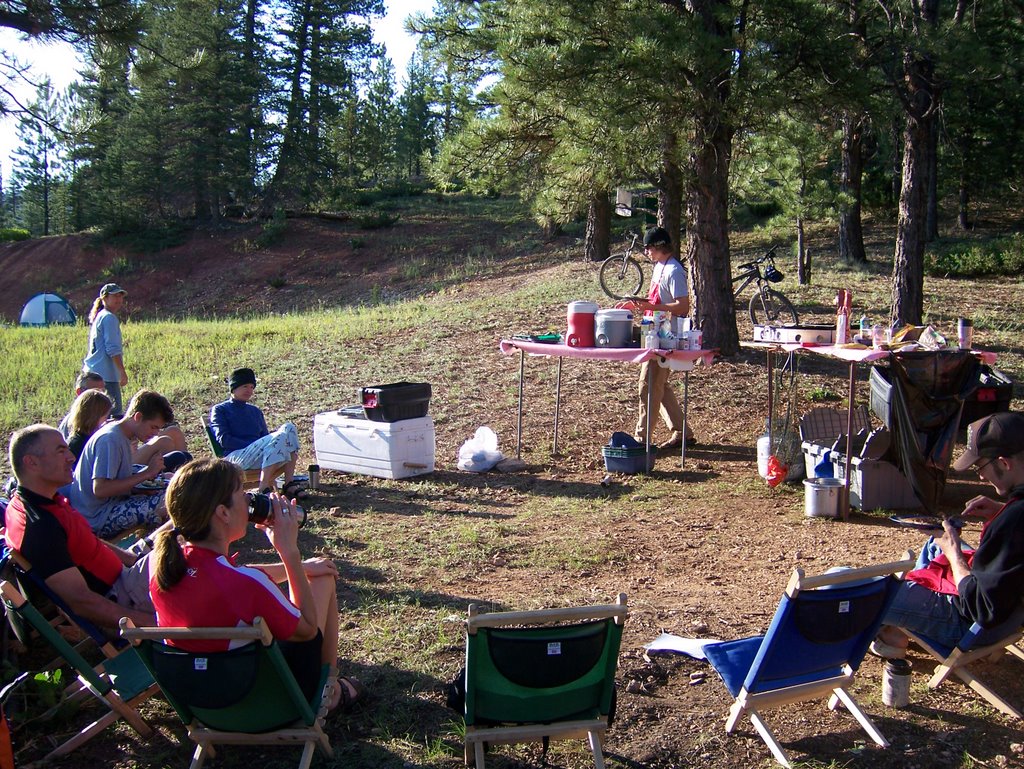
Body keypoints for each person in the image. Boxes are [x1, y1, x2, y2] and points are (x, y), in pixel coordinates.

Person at [149, 458, 364, 710]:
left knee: (313, 572)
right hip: (264, 701)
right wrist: (290, 554)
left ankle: (330, 690)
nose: (250, 500)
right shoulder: (248, 585)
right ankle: (329, 692)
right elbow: (307, 632)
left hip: (205, 702)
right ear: (223, 513)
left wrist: (302, 566)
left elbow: (230, 576)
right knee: (323, 578)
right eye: (242, 494)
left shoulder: (163, 568)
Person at [872, 412, 1024, 658]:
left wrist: (954, 554)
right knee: (936, 543)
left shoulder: (1013, 521)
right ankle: (893, 630)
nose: (981, 475)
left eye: (980, 467)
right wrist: (1001, 511)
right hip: (1011, 611)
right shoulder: (1014, 516)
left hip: (969, 623)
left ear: (1004, 463)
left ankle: (889, 628)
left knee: (849, 586)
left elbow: (981, 608)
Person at [4, 425, 156, 629]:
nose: (71, 457)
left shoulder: (41, 500)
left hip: (126, 576)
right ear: (32, 462)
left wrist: (136, 561)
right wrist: (154, 623)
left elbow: (86, 541)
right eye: (60, 451)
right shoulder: (40, 527)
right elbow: (83, 603)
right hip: (124, 595)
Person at [67, 389, 175, 539]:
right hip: (99, 517)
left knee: (171, 481)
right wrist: (147, 473)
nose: (156, 433)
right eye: (153, 427)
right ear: (138, 417)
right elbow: (100, 489)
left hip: (110, 505)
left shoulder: (122, 435)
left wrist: (143, 485)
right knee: (174, 497)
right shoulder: (110, 439)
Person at [629, 226, 695, 450]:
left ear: (659, 246)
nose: (646, 251)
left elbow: (683, 305)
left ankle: (641, 439)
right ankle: (682, 432)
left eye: (648, 247)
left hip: (667, 335)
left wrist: (654, 306)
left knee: (648, 385)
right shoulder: (659, 267)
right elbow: (655, 301)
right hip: (653, 331)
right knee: (660, 385)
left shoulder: (675, 271)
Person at [209, 367, 305, 498]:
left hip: (261, 454)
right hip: (235, 456)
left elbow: (265, 437)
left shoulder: (255, 411)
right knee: (280, 435)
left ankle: (289, 483)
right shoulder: (221, 409)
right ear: (234, 388)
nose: (249, 390)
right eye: (245, 386)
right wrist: (257, 444)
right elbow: (224, 439)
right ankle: (263, 486)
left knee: (289, 428)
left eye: (251, 387)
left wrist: (263, 445)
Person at [83, 284, 128, 418]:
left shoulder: (101, 316)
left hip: (93, 372)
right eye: (115, 296)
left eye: (120, 296)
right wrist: (121, 372)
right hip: (106, 376)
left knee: (95, 417)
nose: (119, 299)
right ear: (105, 298)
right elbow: (112, 348)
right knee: (114, 415)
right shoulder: (109, 318)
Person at [64, 389, 115, 465]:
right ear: (94, 417)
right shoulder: (80, 444)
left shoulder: (82, 438)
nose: (107, 421)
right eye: (106, 416)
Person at [57, 371, 106, 440]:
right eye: (95, 392)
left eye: (103, 392)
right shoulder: (72, 422)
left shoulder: (102, 416)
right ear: (79, 392)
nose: (101, 397)